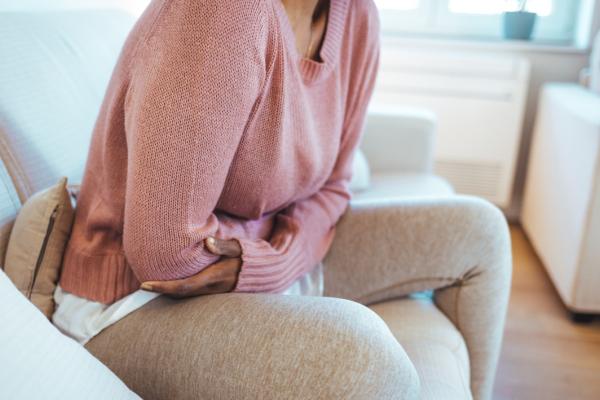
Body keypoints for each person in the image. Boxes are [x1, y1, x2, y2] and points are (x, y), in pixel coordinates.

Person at [53, 0, 380, 344]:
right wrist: (281, 246)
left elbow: (335, 186)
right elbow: (166, 252)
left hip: (252, 271)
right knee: (366, 364)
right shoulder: (223, 10)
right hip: (133, 302)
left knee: (441, 234)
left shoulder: (358, 14)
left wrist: (277, 260)